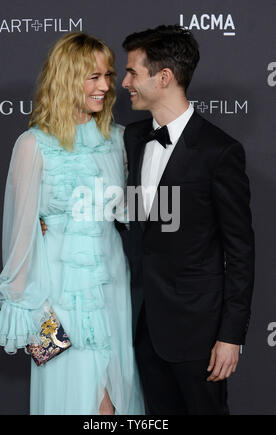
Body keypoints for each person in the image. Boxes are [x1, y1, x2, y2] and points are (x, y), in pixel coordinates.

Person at [0, 32, 144, 415]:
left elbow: (130, 213)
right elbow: (21, 236)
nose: (106, 86)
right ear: (66, 77)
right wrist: (27, 312)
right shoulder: (33, 145)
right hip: (56, 293)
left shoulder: (118, 141)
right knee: (76, 398)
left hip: (111, 287)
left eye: (108, 75)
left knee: (116, 395)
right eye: (93, 77)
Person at [121, 24, 255, 415]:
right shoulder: (131, 138)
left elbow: (241, 252)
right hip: (141, 324)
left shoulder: (219, 151)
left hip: (198, 334)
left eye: (132, 72)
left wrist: (231, 336)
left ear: (163, 78)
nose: (124, 82)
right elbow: (129, 221)